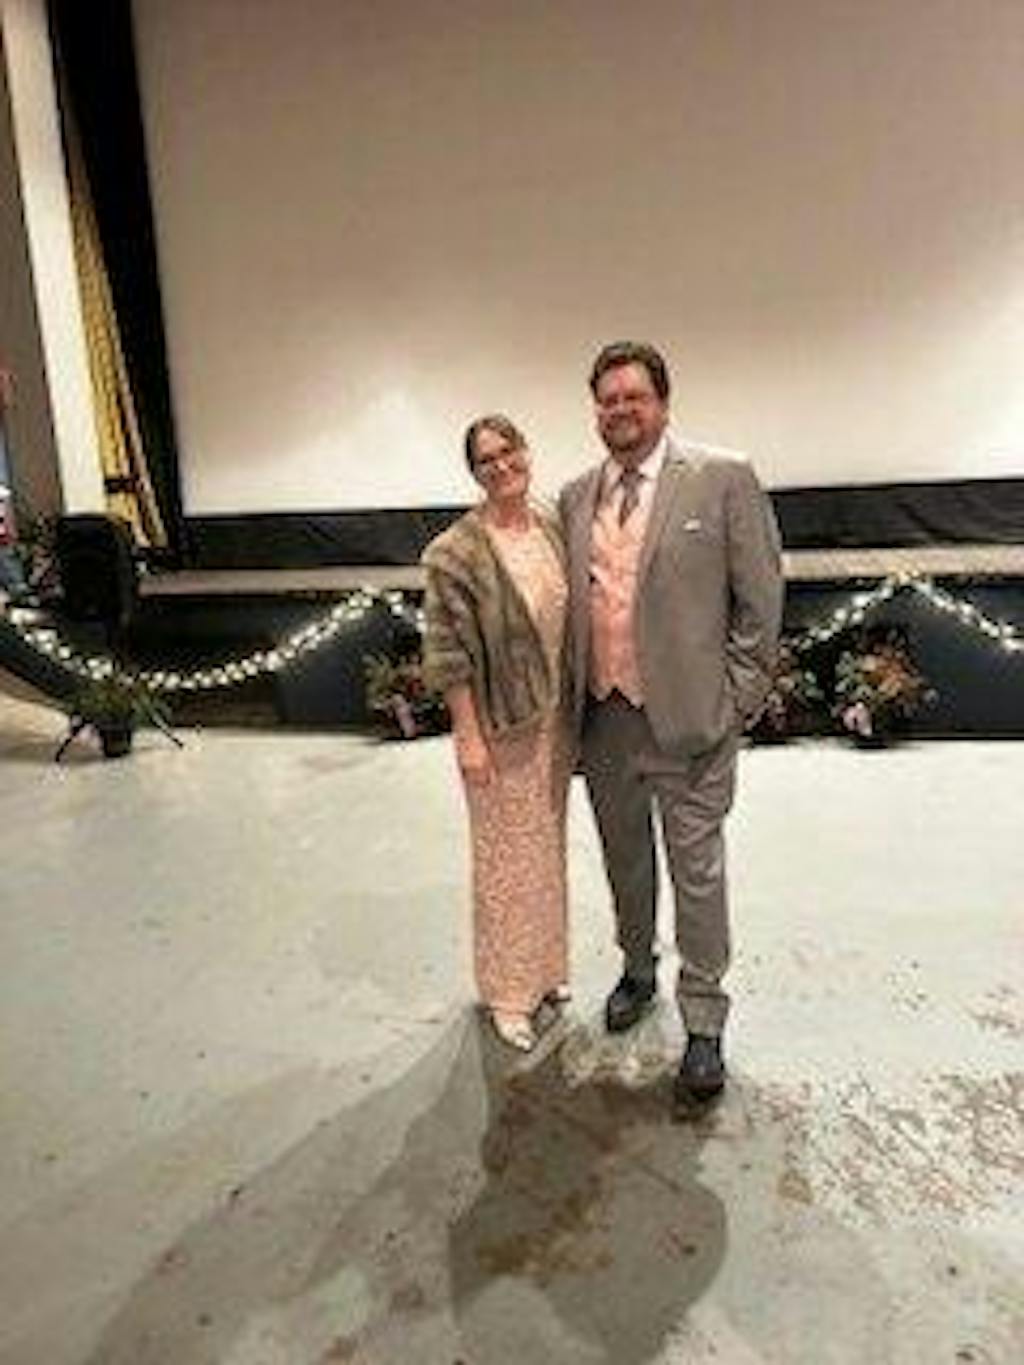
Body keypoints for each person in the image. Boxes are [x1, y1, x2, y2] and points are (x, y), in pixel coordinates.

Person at [559, 341, 783, 1110]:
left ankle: (705, 1018)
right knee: (624, 859)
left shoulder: (721, 476)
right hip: (605, 717)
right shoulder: (576, 495)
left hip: (691, 721)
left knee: (698, 873)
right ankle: (636, 967)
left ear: (662, 402)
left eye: (634, 396)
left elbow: (761, 598)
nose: (620, 410)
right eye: (607, 399)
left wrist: (736, 700)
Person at [422, 415, 571, 1052]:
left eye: (509, 450)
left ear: (526, 452)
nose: (502, 465)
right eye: (487, 460)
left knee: (546, 851)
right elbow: (447, 653)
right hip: (500, 725)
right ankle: (509, 993)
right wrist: (467, 735)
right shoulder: (455, 553)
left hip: (555, 722)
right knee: (504, 861)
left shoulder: (551, 525)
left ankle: (546, 970)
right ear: (475, 472)